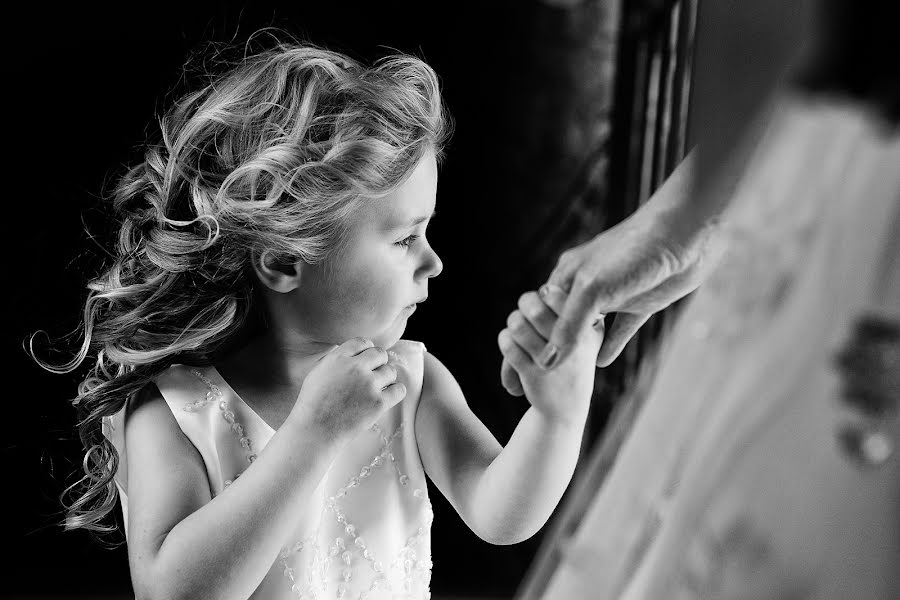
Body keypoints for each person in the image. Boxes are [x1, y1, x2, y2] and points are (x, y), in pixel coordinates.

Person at [29, 38, 606, 600]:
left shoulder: (410, 383)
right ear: (285, 259)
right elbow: (173, 590)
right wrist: (312, 434)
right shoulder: (174, 412)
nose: (433, 261)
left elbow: (500, 515)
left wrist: (557, 412)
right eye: (405, 238)